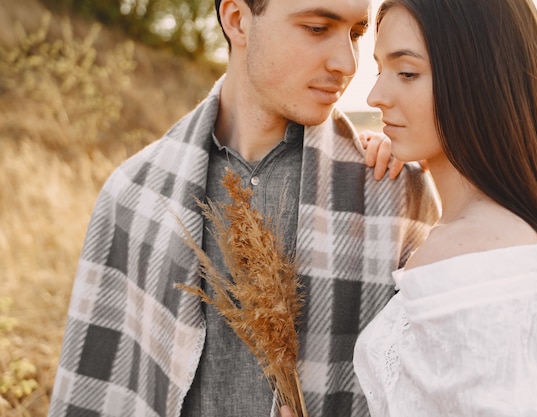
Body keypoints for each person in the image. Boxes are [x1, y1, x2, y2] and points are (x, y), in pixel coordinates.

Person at [47, 0, 440, 416]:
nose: (347, 63)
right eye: (316, 28)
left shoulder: (395, 192)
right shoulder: (132, 194)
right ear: (237, 20)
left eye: (356, 34)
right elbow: (91, 389)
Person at [281, 0, 537, 416]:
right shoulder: (504, 235)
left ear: (482, 81)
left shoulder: (472, 258)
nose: (375, 96)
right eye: (379, 70)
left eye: (407, 73)